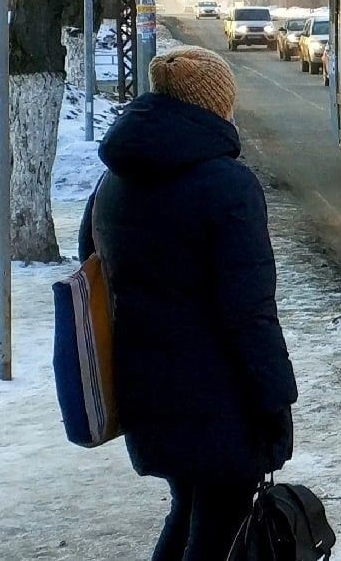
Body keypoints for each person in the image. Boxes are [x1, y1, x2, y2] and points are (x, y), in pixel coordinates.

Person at [80, 46, 297, 561]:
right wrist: (274, 400)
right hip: (220, 399)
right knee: (216, 530)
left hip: (145, 389)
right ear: (215, 106)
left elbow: (92, 268)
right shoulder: (228, 187)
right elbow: (249, 312)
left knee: (188, 510)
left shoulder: (114, 180)